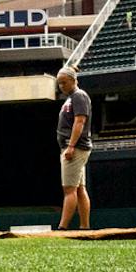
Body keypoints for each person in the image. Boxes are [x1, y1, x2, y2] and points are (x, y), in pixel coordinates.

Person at [56, 65, 93, 230]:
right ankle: (84, 226)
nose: (61, 86)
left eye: (64, 82)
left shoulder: (79, 96)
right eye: (59, 83)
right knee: (79, 189)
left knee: (69, 190)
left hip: (75, 148)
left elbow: (80, 121)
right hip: (75, 147)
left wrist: (70, 146)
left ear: (73, 81)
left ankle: (62, 227)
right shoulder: (72, 97)